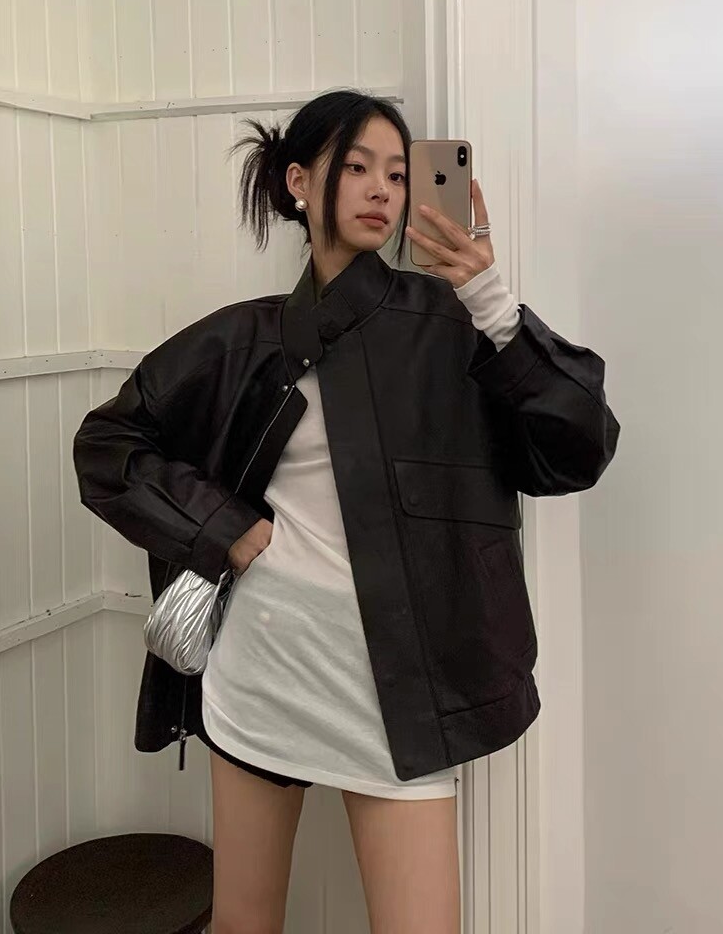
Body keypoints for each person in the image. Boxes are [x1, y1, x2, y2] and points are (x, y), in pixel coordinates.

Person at [72, 89, 620, 934]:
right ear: (299, 182)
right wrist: (224, 529)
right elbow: (109, 445)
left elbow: (579, 448)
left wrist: (492, 301)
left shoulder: (455, 325)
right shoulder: (243, 339)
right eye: (356, 167)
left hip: (403, 692)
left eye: (398, 174)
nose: (381, 190)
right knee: (244, 924)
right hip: (265, 668)